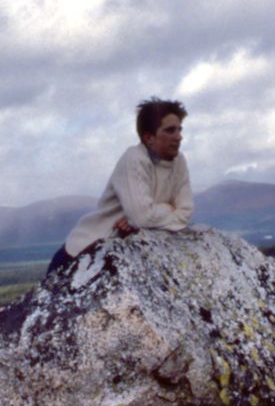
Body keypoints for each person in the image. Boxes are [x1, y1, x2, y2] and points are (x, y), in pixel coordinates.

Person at [47, 97, 194, 274]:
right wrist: (168, 209)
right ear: (149, 137)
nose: (179, 136)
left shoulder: (179, 162)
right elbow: (143, 218)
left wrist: (147, 217)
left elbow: (185, 213)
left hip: (120, 254)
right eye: (170, 130)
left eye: (179, 129)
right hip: (81, 253)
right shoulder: (134, 159)